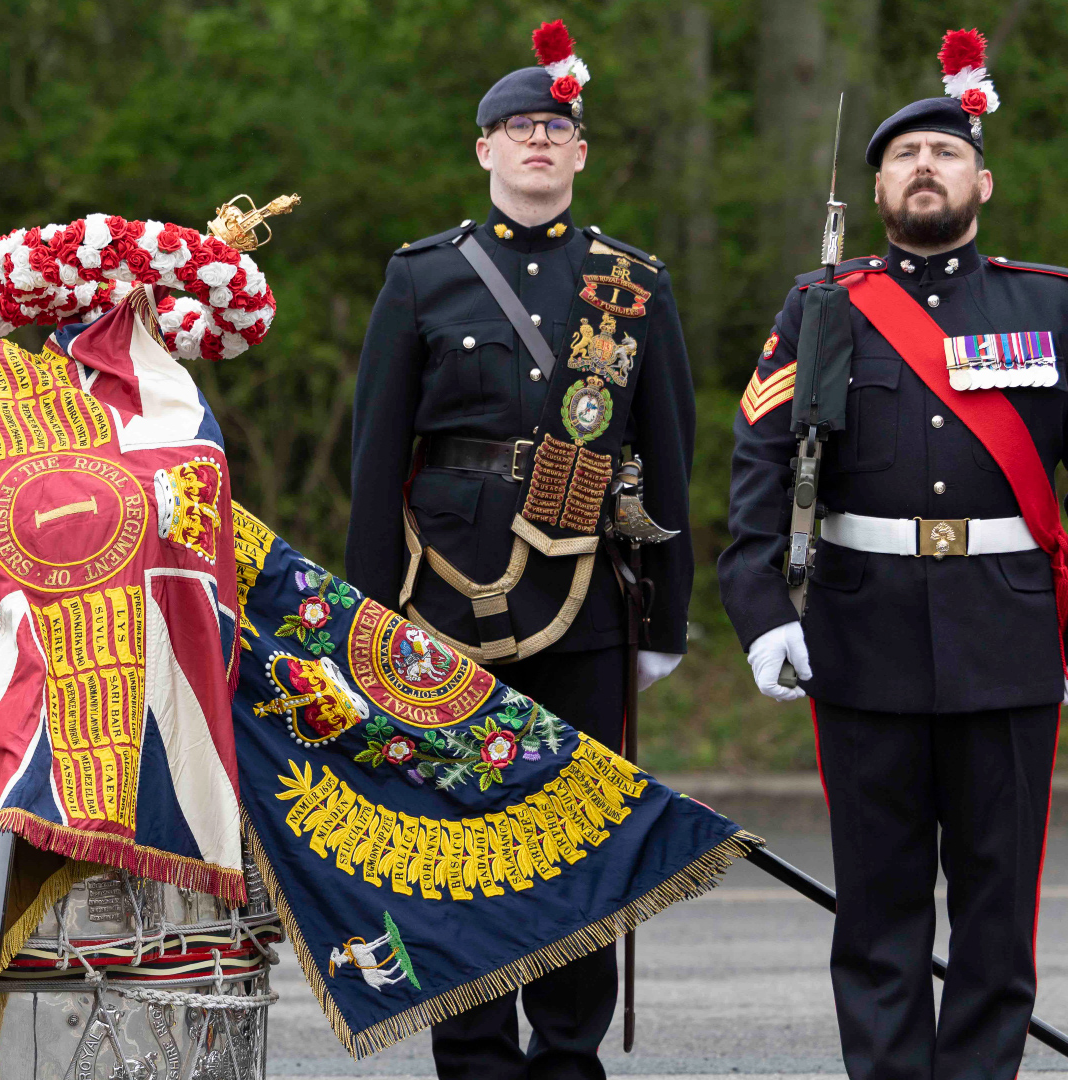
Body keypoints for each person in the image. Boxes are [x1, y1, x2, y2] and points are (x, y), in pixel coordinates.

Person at [345, 19, 695, 1080]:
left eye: (556, 128)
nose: (538, 141)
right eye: (517, 127)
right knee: (458, 833)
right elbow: (374, 461)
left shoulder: (632, 284)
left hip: (587, 595)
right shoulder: (421, 277)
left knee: (576, 830)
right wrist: (367, 618)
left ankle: (570, 1055)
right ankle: (477, 1053)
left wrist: (665, 621)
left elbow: (670, 456)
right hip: (442, 597)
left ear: (581, 154)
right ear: (484, 148)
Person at [721, 29, 1058, 1080]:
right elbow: (760, 465)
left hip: (1006, 629)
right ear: (876, 188)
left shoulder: (1049, 305)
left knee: (999, 907)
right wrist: (763, 608)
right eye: (903, 155)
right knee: (878, 904)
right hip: (863, 631)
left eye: (944, 151)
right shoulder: (822, 308)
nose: (924, 166)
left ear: (981, 179)